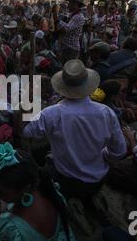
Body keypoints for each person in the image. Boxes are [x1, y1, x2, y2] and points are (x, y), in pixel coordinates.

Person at [20, 60, 127, 199]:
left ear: (63, 86)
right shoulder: (106, 113)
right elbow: (119, 151)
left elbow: (26, 132)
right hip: (96, 182)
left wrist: (26, 102)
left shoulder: (51, 113)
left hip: (64, 181)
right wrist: (104, 155)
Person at [58, 0, 86, 64]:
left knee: (68, 71)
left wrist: (57, 20)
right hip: (66, 47)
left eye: (70, 3)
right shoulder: (72, 15)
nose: (68, 5)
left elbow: (67, 28)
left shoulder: (78, 17)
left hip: (71, 49)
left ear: (75, 4)